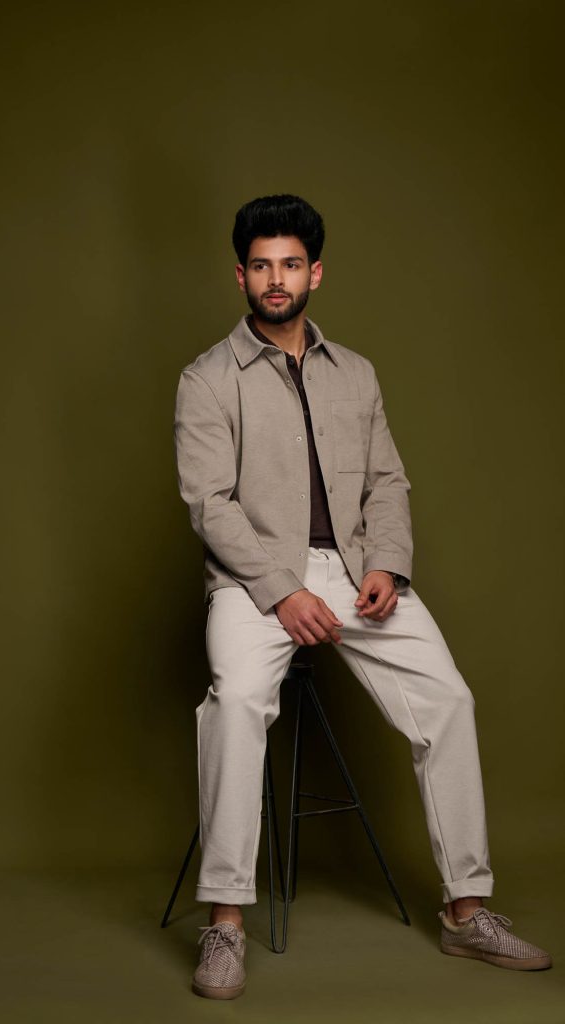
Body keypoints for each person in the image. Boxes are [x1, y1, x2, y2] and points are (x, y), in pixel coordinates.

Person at [172, 194, 552, 1000]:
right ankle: (225, 921)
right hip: (252, 581)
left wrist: (387, 564)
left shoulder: (357, 373)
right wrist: (280, 592)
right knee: (235, 702)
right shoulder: (206, 379)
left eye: (291, 264)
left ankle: (466, 911)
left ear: (316, 272)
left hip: (354, 573)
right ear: (241, 275)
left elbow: (387, 482)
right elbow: (210, 504)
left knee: (449, 699)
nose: (277, 280)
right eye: (262, 266)